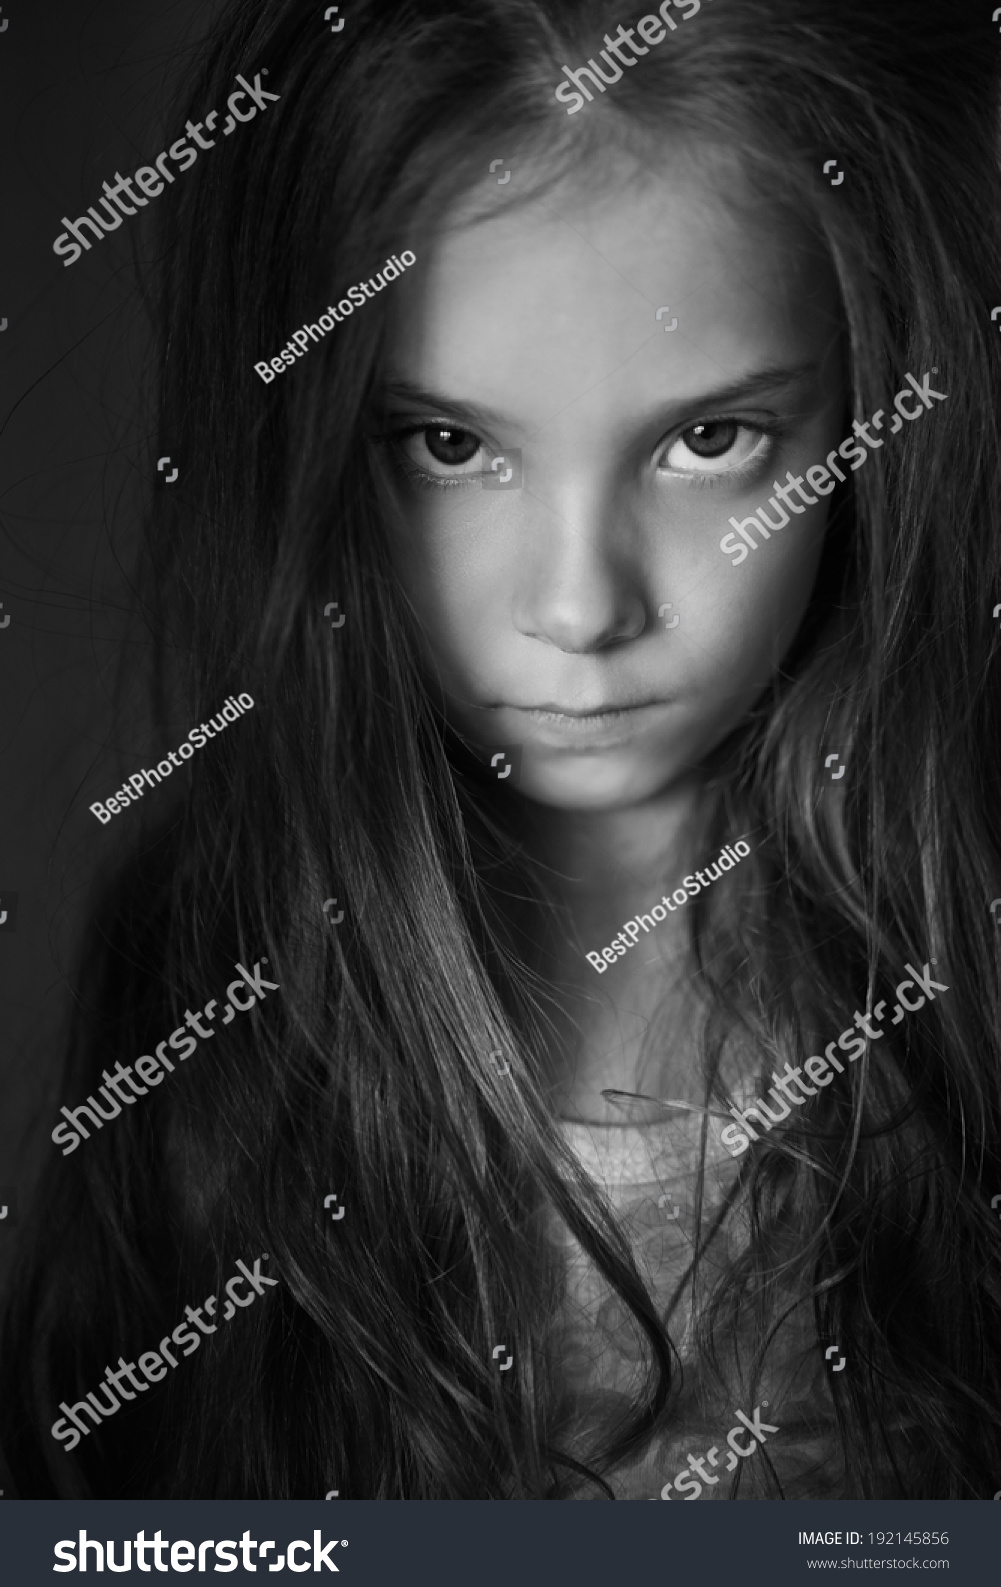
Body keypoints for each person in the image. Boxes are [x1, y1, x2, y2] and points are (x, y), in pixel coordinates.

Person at [3, 0, 1000, 1500]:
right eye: (451, 448)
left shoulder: (962, 962)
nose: (579, 607)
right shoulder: (216, 974)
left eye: (711, 439)